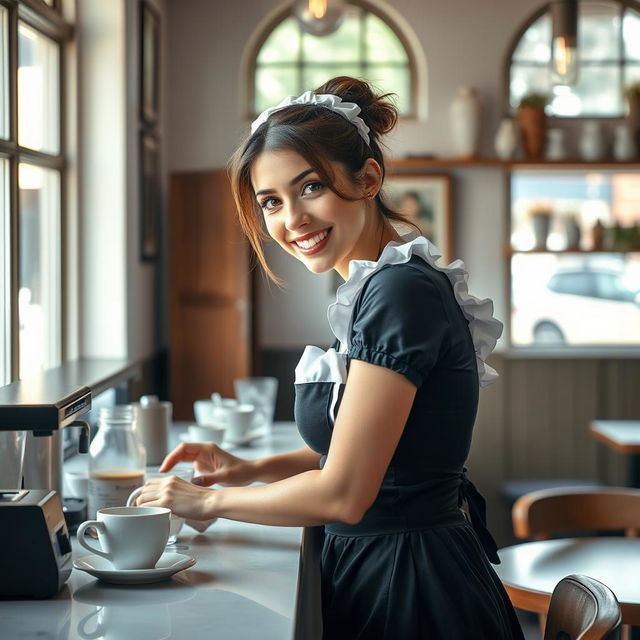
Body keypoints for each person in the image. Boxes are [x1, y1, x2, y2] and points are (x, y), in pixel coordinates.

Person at [135, 76, 524, 640]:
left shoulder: (398, 292)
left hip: (409, 586)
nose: (291, 219)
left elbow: (345, 491)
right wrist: (251, 470)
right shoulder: (376, 288)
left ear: (368, 178)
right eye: (271, 202)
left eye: (309, 187)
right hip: (391, 568)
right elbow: (368, 451)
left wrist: (209, 499)